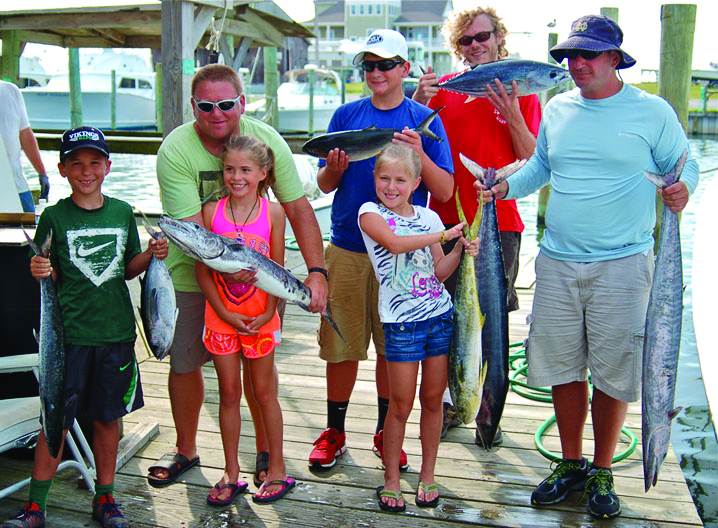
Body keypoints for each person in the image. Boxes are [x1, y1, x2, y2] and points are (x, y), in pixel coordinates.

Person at [476, 14, 699, 519]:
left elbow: (687, 165)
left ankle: (602, 469)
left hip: (625, 265)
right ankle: (571, 462)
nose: (576, 65)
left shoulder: (653, 112)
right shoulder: (558, 109)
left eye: (587, 55)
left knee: (615, 373)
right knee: (561, 366)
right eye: (570, 56)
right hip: (555, 262)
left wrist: (684, 188)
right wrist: (504, 186)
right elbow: (540, 169)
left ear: (615, 58)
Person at [149, 64, 327, 489]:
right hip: (197, 280)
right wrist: (225, 303)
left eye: (226, 103)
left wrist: (316, 273)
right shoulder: (175, 151)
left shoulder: (266, 144)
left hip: (258, 285)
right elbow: (197, 241)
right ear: (193, 106)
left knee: (259, 375)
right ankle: (187, 449)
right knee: (186, 362)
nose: (217, 112)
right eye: (206, 105)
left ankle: (266, 454)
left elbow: (298, 209)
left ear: (242, 103)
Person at [2, 126, 168, 528]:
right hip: (67, 340)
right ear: (62, 169)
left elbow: (127, 270)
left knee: (108, 419)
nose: (86, 170)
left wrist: (151, 256)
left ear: (108, 167)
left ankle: (105, 496)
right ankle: (36, 506)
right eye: (76, 163)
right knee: (53, 419)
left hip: (116, 336)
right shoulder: (54, 217)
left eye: (94, 162)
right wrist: (39, 268)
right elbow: (49, 272)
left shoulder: (123, 212)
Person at [309, 29, 454, 470]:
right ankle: (335, 429)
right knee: (342, 343)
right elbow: (323, 184)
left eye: (385, 64)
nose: (375, 72)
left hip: (406, 258)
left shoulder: (424, 118)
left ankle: (382, 429)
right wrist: (333, 168)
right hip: (350, 248)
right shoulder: (345, 114)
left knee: (394, 348)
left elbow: (445, 190)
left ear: (404, 69)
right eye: (368, 65)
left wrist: (419, 153)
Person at [412, 6, 541, 444]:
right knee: (448, 315)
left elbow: (533, 157)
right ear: (457, 48)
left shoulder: (524, 89)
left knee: (491, 321)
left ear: (499, 37)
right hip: (445, 223)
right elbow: (411, 145)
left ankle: (489, 411)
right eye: (466, 41)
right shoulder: (445, 91)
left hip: (499, 220)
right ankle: (454, 404)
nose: (476, 46)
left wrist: (513, 110)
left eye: (483, 37)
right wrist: (419, 99)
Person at [359, 144, 478, 512]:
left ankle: (428, 476)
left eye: (400, 180)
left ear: (415, 183)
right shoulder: (370, 213)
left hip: (438, 318)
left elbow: (438, 273)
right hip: (401, 325)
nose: (391, 187)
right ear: (374, 179)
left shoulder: (429, 218)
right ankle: (391, 480)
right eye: (384, 178)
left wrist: (459, 249)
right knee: (400, 404)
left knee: (432, 401)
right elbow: (394, 245)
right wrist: (441, 237)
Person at [196, 135, 294, 505]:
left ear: (263, 173)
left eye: (245, 170)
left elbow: (279, 271)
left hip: (260, 319)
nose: (236, 177)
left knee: (265, 393)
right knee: (229, 394)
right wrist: (223, 312)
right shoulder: (211, 213)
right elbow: (203, 271)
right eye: (229, 169)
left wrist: (270, 312)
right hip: (222, 318)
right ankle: (231, 471)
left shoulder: (274, 214)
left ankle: (279, 468)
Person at [0, 80, 49, 212]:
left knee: (29, 230)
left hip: (17, 187)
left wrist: (42, 172)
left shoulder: (12, 91)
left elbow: (26, 135)